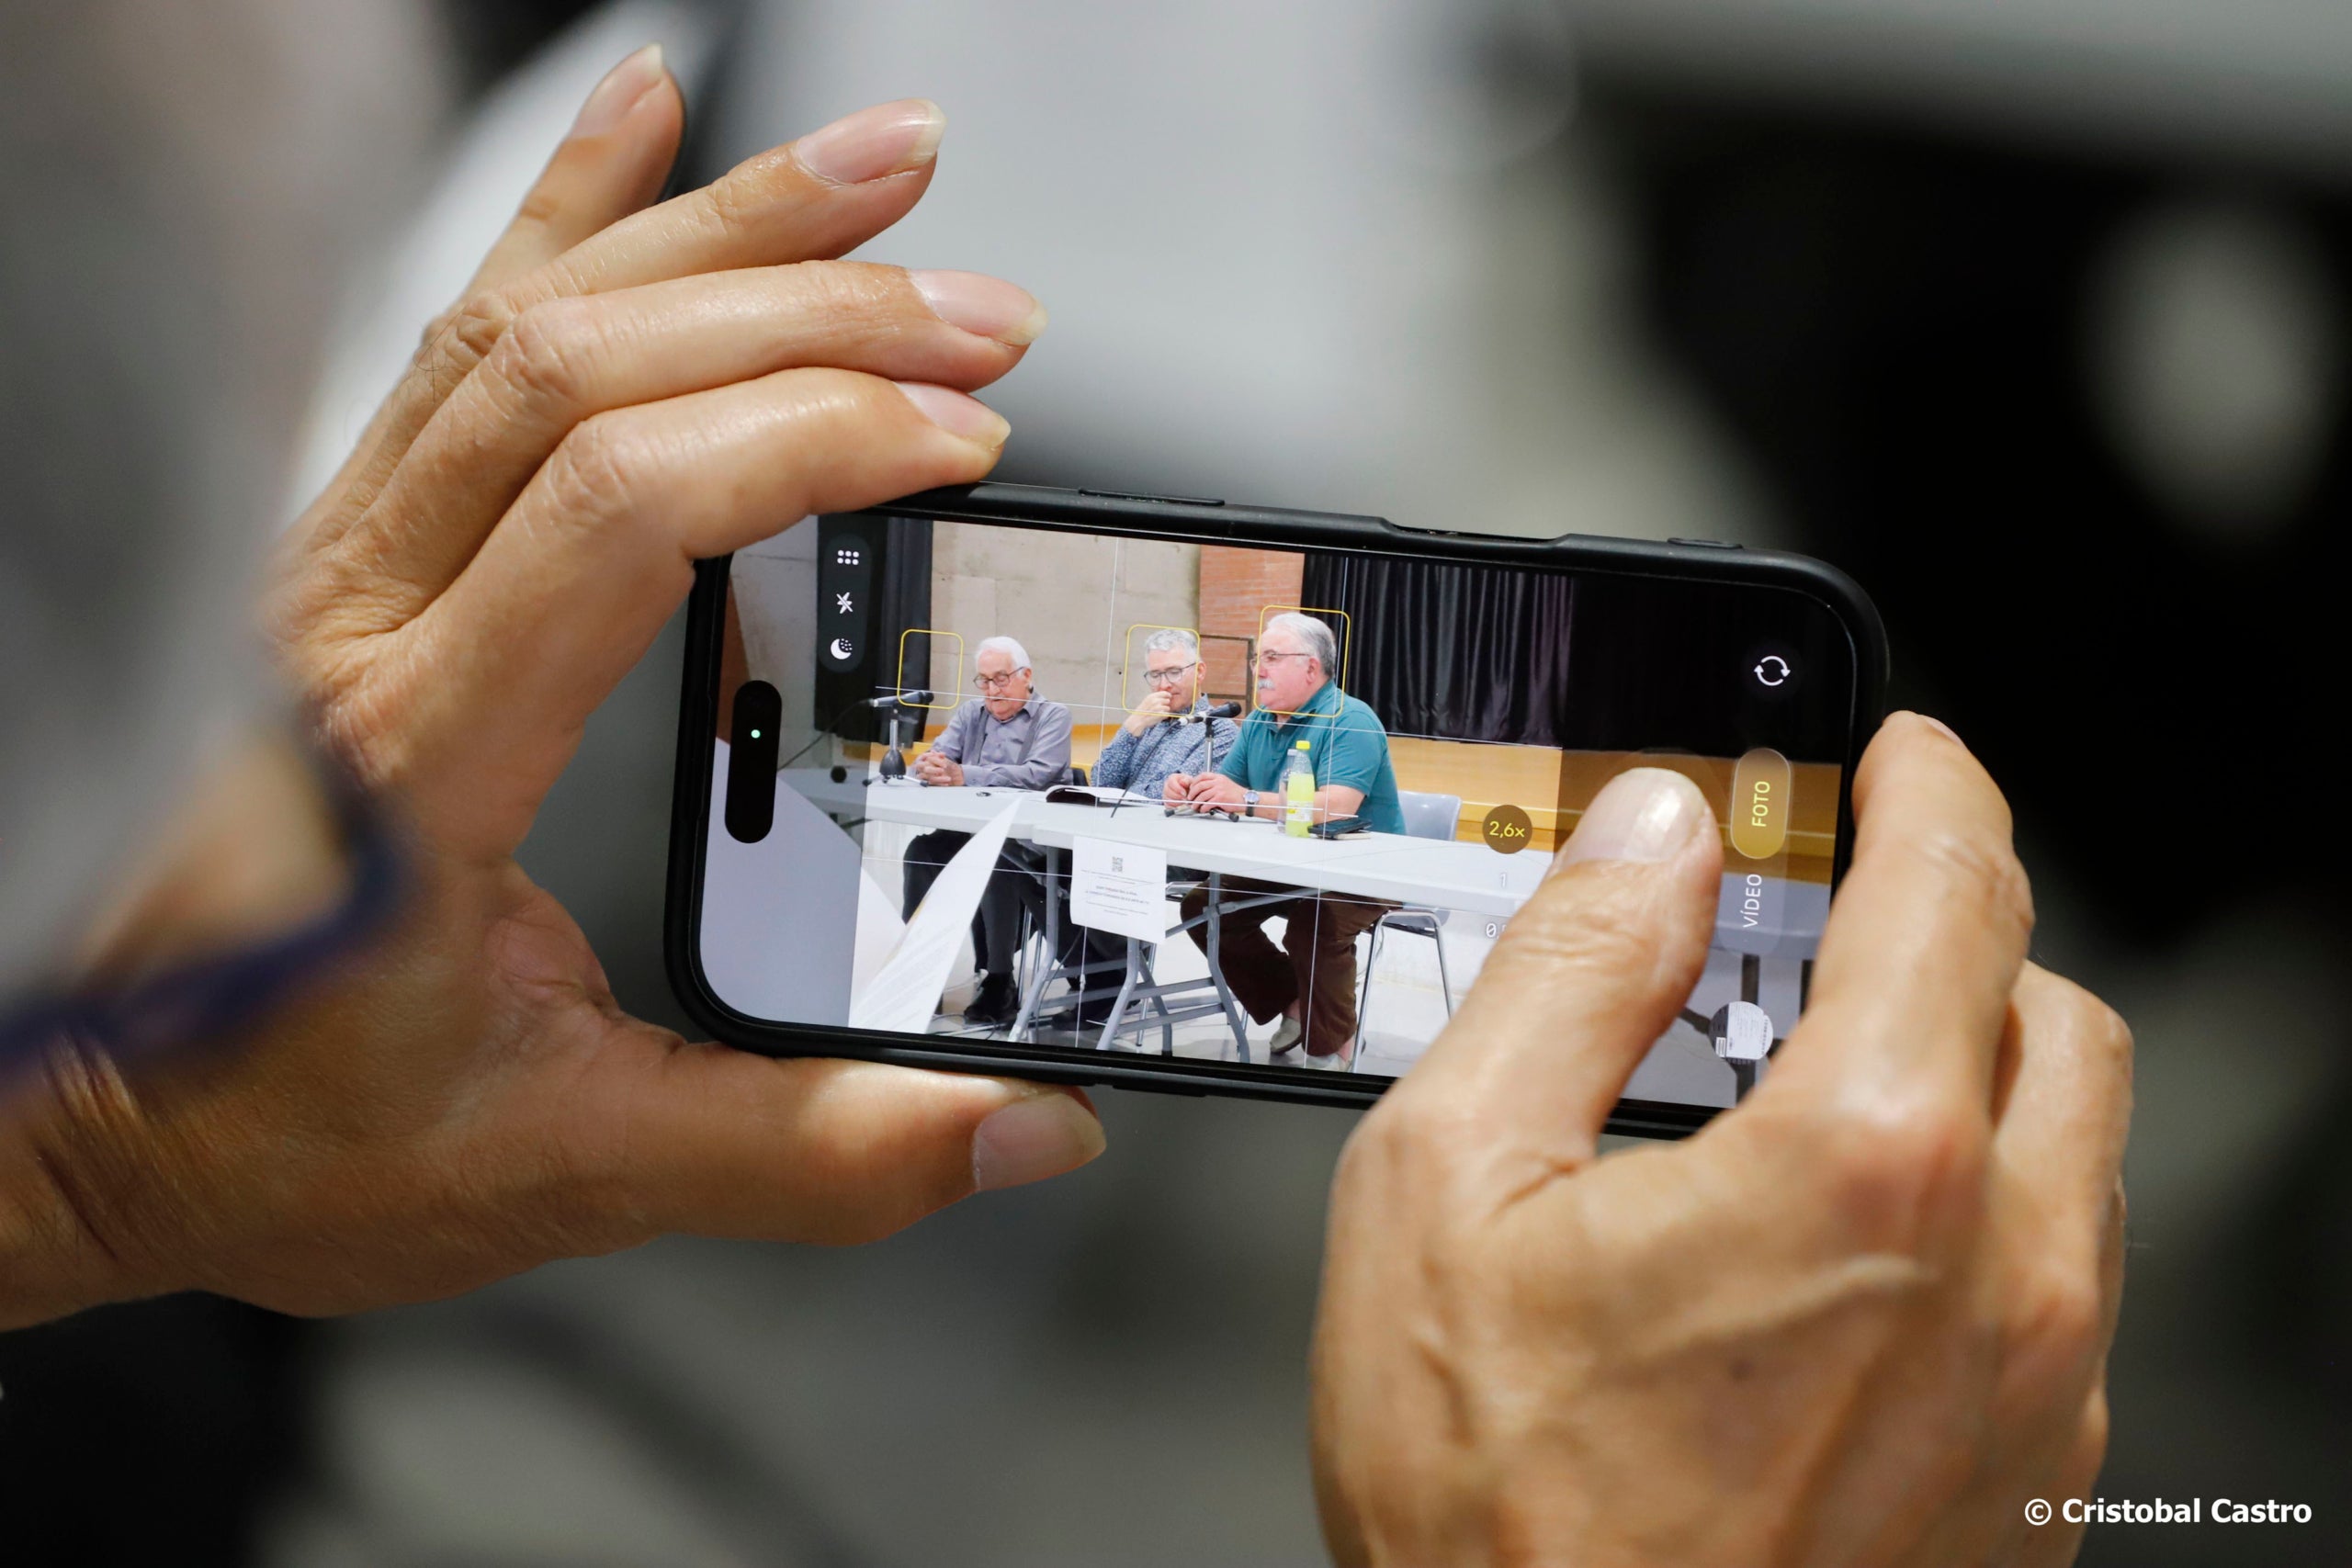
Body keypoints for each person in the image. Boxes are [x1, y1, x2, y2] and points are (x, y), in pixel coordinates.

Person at [0, 30, 2132, 1567]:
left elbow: (1282, 804)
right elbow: (1098, 773)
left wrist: (90, 1144)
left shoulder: (1322, 728)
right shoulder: (1127, 727)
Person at [1165, 612, 1404, 1059]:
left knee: (1316, 923)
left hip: (1366, 869)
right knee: (1204, 906)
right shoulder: (1260, 720)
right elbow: (1229, 786)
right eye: (1258, 658)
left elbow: (1336, 807)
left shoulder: (1351, 719)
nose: (1260, 669)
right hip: (1288, 863)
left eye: (1272, 657)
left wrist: (1245, 799)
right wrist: (1192, 789)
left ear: (1311, 667)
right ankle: (1293, 1002)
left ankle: (1332, 1051)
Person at [902, 635, 1073, 1024]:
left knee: (998, 855)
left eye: (1000, 679)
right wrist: (928, 766)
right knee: (920, 852)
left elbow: (1039, 774)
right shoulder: (970, 713)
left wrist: (965, 775)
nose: (991, 690)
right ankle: (918, 970)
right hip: (968, 831)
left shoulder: (1053, 716)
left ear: (1026, 676)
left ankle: (1000, 980)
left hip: (1025, 842)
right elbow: (938, 757)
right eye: (984, 680)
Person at [1091, 627, 1241, 798]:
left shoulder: (1219, 731)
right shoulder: (1146, 722)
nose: (1163, 685)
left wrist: (1117, 795)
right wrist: (1131, 727)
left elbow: (1176, 795)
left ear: (1199, 672)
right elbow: (1100, 783)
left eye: (1174, 673)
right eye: (1155, 675)